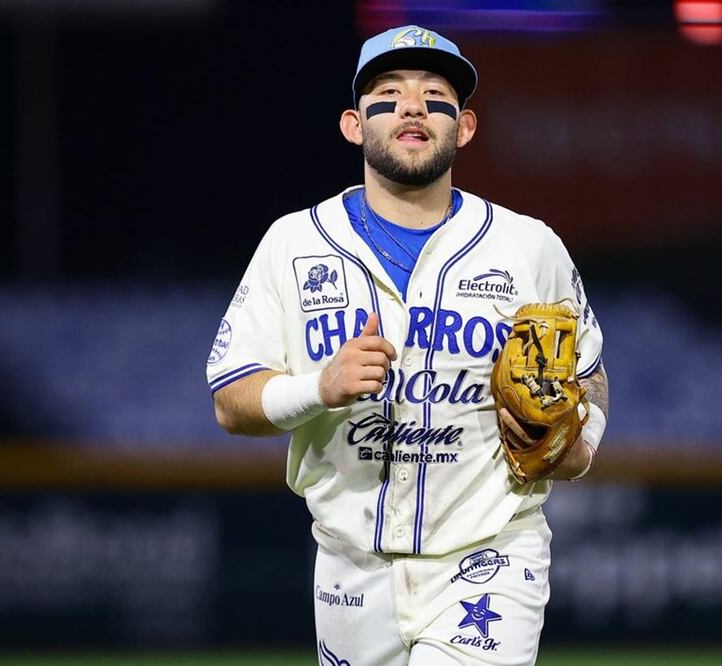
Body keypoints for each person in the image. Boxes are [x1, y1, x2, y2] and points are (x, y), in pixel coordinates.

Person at [207, 24, 609, 666]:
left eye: (434, 94)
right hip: (349, 568)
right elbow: (231, 400)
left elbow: (588, 373)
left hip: (490, 556)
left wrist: (576, 448)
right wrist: (320, 387)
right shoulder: (293, 244)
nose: (413, 106)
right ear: (353, 124)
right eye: (388, 93)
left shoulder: (529, 246)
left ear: (465, 127)